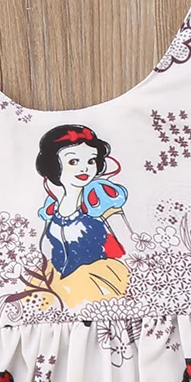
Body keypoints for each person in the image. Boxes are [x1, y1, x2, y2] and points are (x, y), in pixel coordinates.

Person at [33, 124, 131, 306]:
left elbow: (130, 243)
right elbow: (44, 248)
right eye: (73, 162)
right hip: (58, 282)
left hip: (98, 281)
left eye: (91, 161)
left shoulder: (100, 197)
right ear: (53, 165)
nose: (84, 168)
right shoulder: (52, 206)